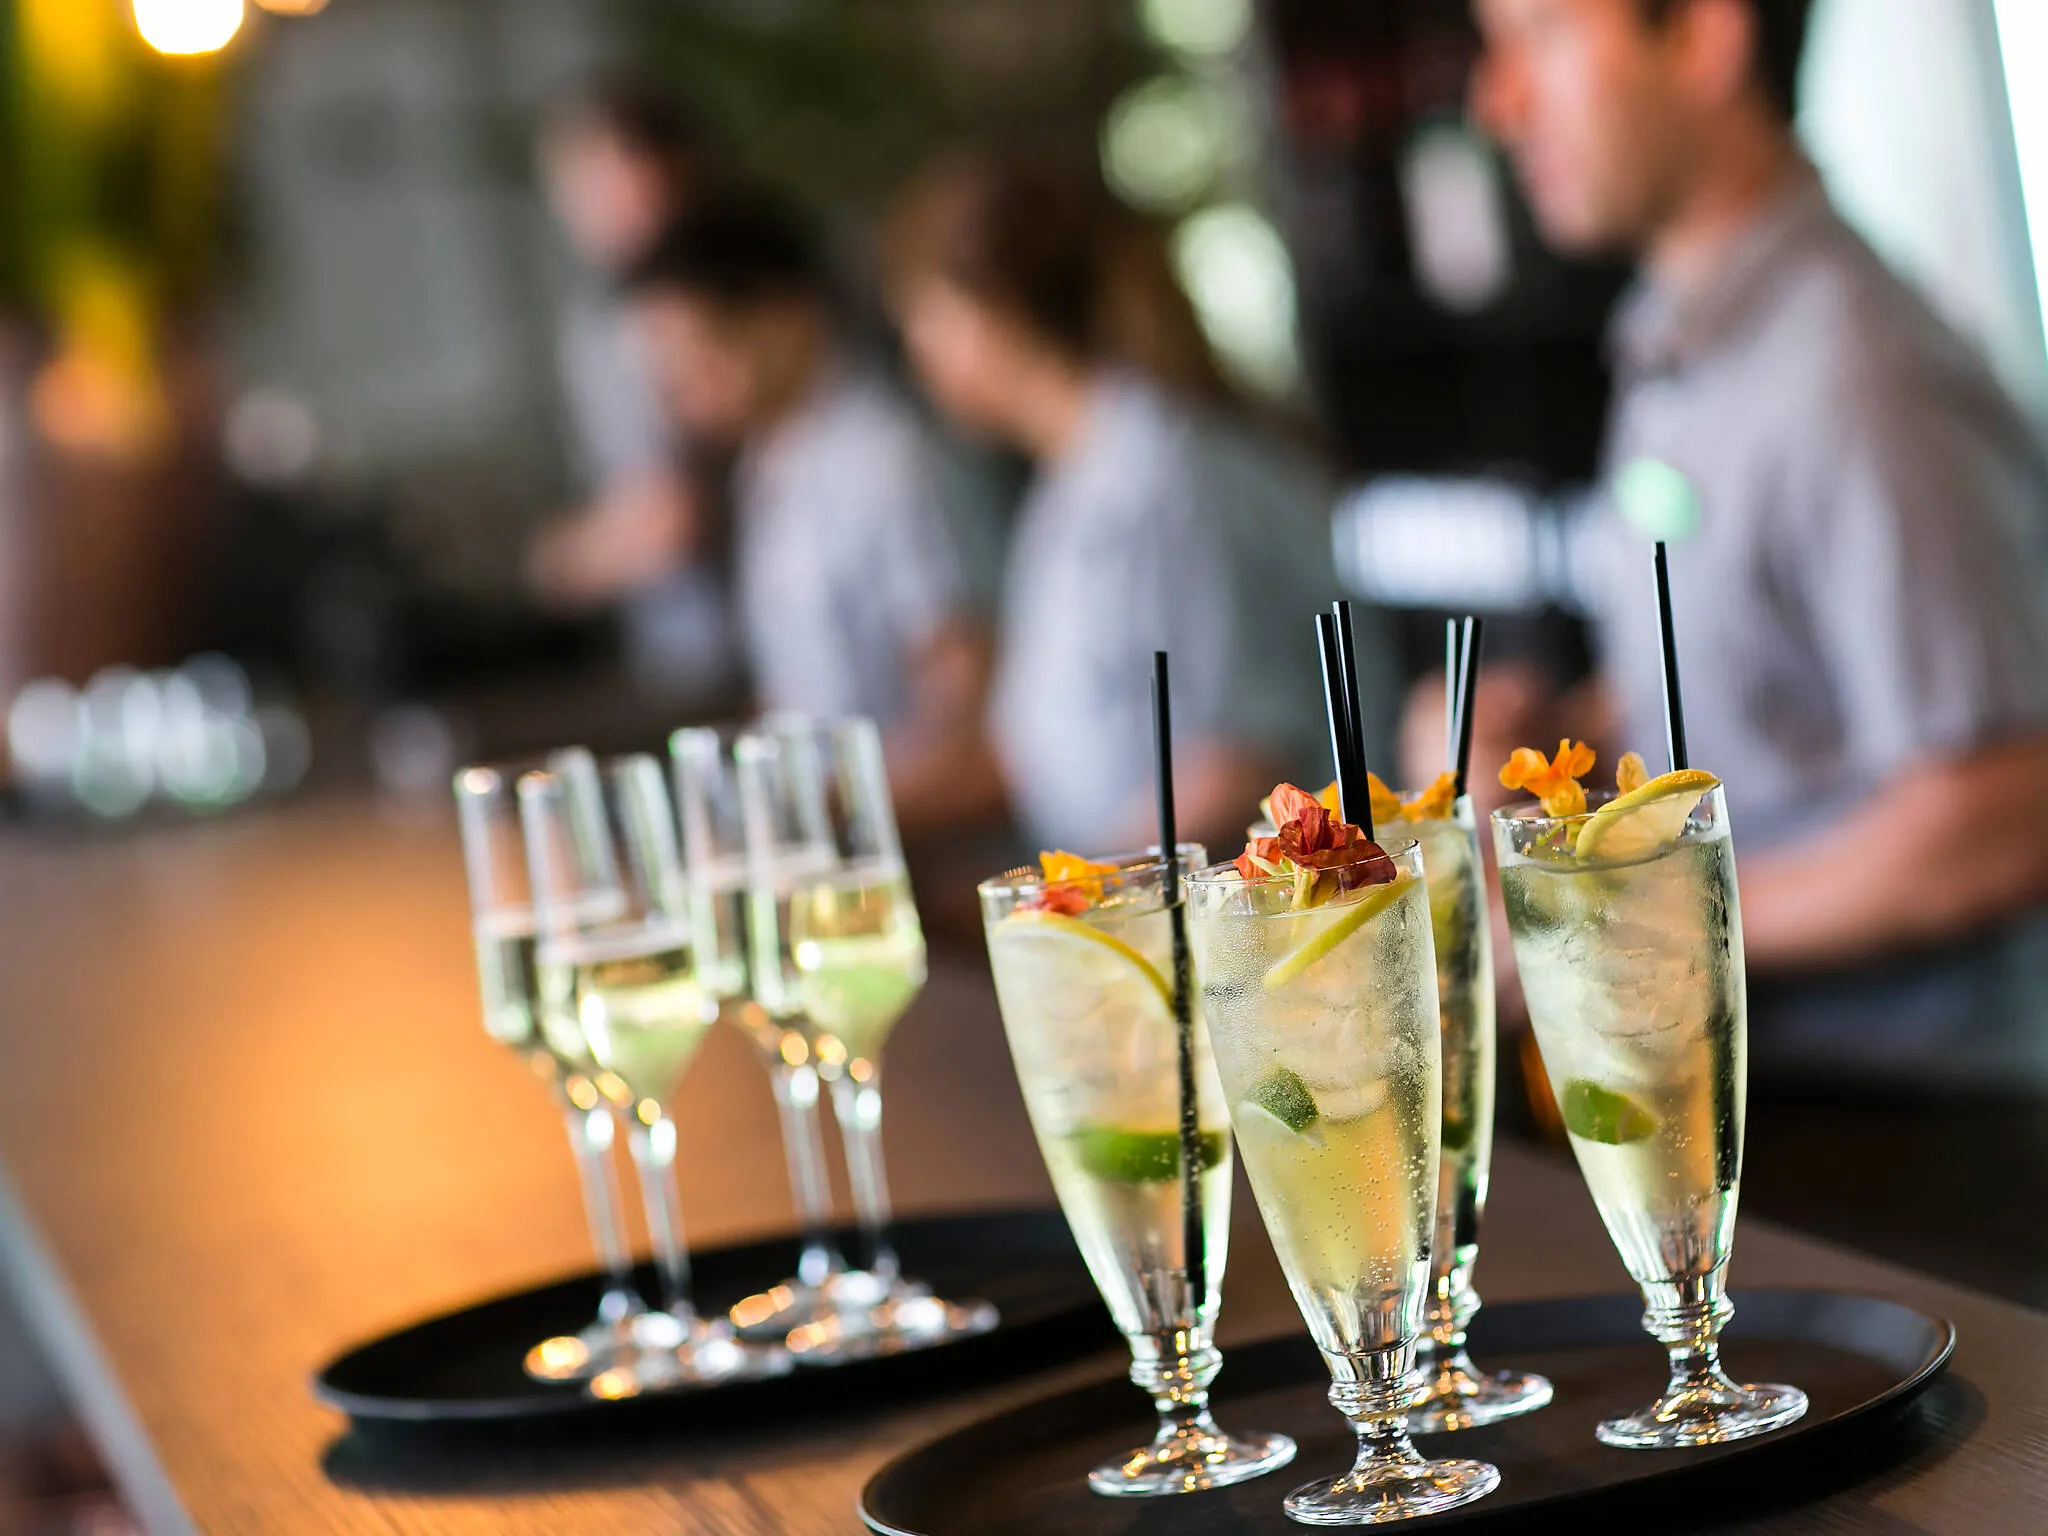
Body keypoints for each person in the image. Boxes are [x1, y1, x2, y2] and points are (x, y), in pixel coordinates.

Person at [1459, 0, 2048, 1089]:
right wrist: (1562, 739)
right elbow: (1770, 687)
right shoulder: (1677, 340)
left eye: (1534, 38)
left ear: (1703, 38)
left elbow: (2004, 811)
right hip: (1762, 1099)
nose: (1492, 102)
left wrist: (1632, 924)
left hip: (1926, 1143)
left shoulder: (1860, 378)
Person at [886, 150, 1368, 855]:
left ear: (996, 312)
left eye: (925, 318)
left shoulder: (1168, 484)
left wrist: (1090, 901)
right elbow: (1044, 747)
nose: (917, 353)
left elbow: (1243, 759)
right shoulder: (1076, 482)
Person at [621, 189, 1000, 824]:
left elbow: (973, 715)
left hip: (923, 854)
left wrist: (822, 820)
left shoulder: (890, 464)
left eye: (698, 356)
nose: (677, 392)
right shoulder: (770, 466)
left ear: (785, 316)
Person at [528, 75, 736, 701]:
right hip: (678, 650)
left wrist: (564, 560)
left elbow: (674, 518)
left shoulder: (731, 298)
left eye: (607, 177)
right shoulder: (596, 322)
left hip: (747, 651)